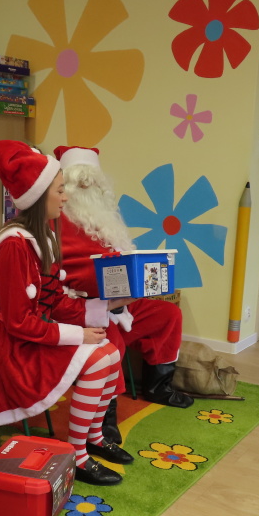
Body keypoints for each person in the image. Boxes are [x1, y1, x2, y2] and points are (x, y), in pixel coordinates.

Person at [0, 141, 135, 485]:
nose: (65, 198)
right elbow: (17, 321)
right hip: (8, 351)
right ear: (40, 197)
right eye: (59, 190)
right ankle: (77, 455)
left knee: (111, 352)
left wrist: (105, 307)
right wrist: (78, 334)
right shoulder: (14, 245)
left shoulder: (44, 237)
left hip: (32, 336)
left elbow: (54, 301)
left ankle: (94, 438)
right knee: (98, 359)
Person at [54, 145, 195, 421]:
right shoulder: (55, 222)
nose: (88, 188)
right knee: (111, 340)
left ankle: (158, 387)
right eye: (81, 183)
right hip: (84, 309)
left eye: (92, 182)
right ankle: (104, 416)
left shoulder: (106, 219)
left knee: (168, 315)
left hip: (120, 304)